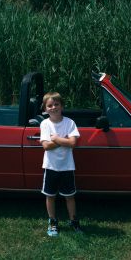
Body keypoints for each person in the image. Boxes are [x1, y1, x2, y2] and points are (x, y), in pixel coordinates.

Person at [40, 92, 82, 237]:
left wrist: (56, 139)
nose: (53, 107)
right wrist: (63, 140)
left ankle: (74, 221)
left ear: (62, 106)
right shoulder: (45, 124)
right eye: (49, 105)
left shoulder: (69, 123)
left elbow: (73, 143)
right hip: (51, 167)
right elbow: (45, 146)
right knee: (50, 196)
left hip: (67, 167)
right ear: (45, 109)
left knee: (70, 196)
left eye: (56, 104)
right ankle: (52, 222)